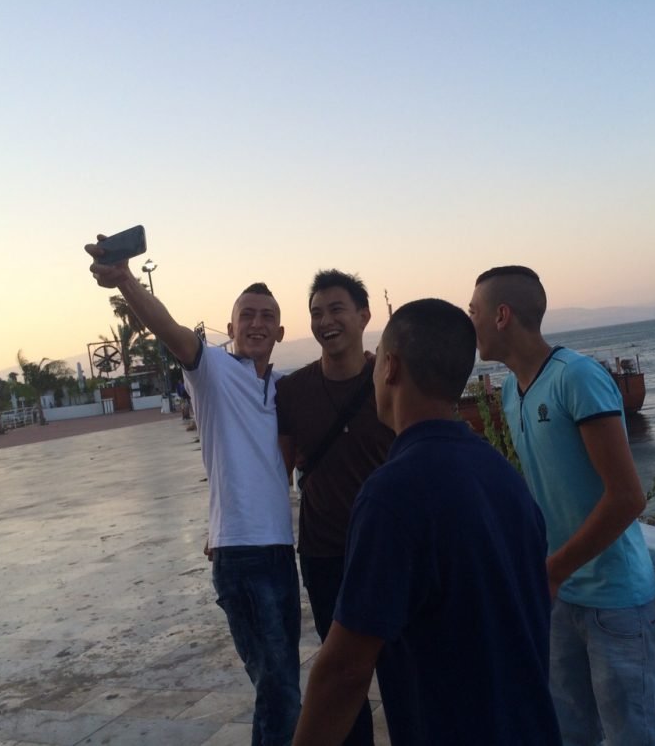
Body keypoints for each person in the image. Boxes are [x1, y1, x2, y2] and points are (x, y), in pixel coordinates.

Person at [293, 298, 560, 746]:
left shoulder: (391, 495)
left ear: (391, 367)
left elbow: (345, 670)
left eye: (378, 362)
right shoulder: (503, 476)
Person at [86, 237, 301, 746]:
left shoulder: (282, 387)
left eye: (266, 316)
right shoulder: (211, 369)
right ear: (230, 328)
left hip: (280, 554)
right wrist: (126, 281)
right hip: (244, 557)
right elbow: (170, 330)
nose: (256, 323)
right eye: (246, 314)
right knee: (282, 694)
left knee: (279, 687)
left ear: (280, 331)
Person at [469, 266, 655, 746]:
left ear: (501, 316)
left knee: (632, 737)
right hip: (560, 597)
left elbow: (627, 497)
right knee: (568, 734)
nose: (467, 322)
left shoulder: (577, 377)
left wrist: (553, 570)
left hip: (615, 601)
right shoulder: (513, 391)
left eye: (472, 311)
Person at [275, 270, 395, 746]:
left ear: (364, 316)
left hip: (388, 550)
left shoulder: (392, 377)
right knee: (344, 675)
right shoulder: (293, 391)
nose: (326, 321)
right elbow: (276, 472)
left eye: (336, 309)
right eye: (317, 313)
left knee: (404, 666)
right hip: (324, 553)